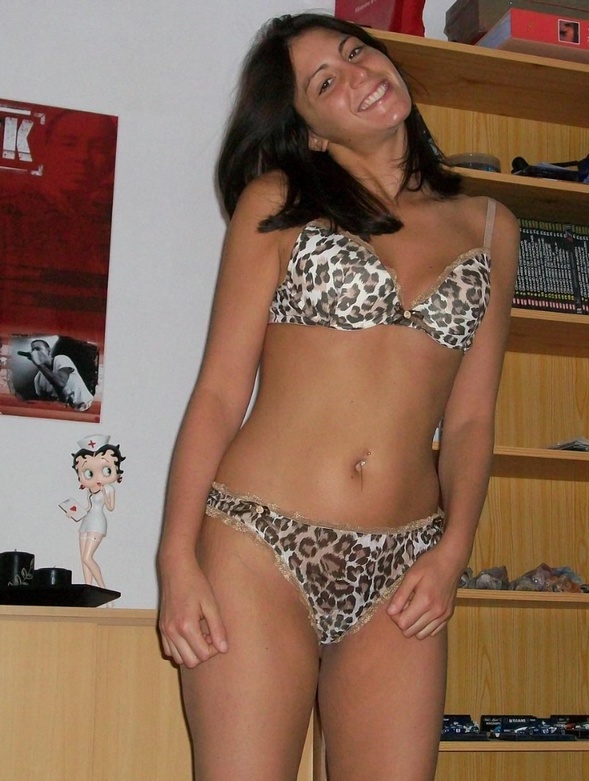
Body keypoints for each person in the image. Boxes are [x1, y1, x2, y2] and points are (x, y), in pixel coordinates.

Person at [157, 11, 519, 781]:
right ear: (311, 132)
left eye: (357, 51)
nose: (358, 74)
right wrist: (175, 560)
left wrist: (451, 555)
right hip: (258, 546)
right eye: (326, 81)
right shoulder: (277, 202)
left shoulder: (490, 227)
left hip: (404, 561)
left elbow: (470, 419)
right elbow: (218, 393)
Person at [66, 435, 125, 588]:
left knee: (88, 557)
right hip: (87, 522)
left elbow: (110, 507)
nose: (97, 477)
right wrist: (73, 513)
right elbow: (88, 508)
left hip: (98, 523)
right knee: (83, 558)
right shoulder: (90, 490)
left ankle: (102, 587)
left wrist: (105, 493)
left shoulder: (109, 489)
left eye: (106, 470)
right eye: (89, 473)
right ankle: (88, 586)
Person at [24, 338, 94, 410]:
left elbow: (61, 382)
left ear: (48, 351)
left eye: (38, 349)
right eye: (32, 350)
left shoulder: (61, 359)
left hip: (88, 406)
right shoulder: (38, 379)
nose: (34, 353)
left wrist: (39, 364)